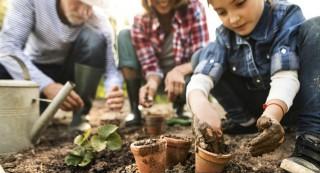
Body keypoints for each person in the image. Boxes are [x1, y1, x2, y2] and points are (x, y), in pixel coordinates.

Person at [187, 0, 320, 173]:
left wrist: (273, 113)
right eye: (221, 12)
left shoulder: (285, 16)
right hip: (259, 110)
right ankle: (246, 122)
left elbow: (285, 76)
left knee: (316, 27)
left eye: (240, 3)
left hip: (293, 104)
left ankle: (313, 139)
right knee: (201, 57)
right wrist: (200, 104)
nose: (233, 18)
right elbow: (202, 78)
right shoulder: (224, 35)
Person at [0, 0, 124, 130]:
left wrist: (113, 88)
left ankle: (80, 115)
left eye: (90, 5)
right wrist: (46, 85)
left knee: (95, 39)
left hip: (70, 74)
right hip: (36, 70)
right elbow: (7, 46)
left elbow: (111, 69)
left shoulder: (99, 20)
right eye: (78, 2)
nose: (84, 12)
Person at [117, 0, 209, 131]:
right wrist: (152, 83)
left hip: (184, 79)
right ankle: (134, 109)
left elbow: (201, 57)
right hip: (155, 78)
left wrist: (179, 71)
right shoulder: (140, 20)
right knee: (124, 34)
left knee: (200, 74)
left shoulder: (194, 8)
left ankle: (180, 106)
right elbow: (149, 64)